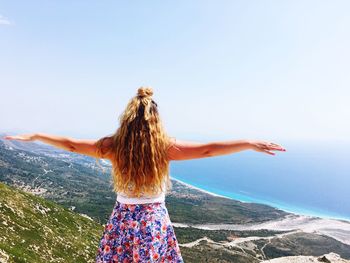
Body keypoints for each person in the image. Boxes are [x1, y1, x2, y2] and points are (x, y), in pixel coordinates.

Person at [4, 86, 286, 262]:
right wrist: (248, 143)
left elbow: (72, 145)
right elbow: (208, 150)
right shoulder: (165, 148)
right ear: (157, 121)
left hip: (122, 219)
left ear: (127, 118)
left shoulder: (112, 147)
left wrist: (38, 135)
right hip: (153, 221)